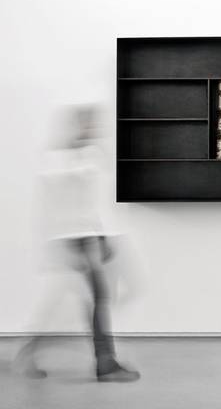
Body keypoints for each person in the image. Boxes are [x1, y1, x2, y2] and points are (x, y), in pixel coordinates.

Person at [14, 105, 140, 382]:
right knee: (96, 296)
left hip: (86, 236)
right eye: (88, 124)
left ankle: (31, 351)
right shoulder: (63, 161)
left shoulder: (77, 158)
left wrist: (103, 235)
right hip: (77, 238)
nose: (93, 129)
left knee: (81, 298)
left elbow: (91, 202)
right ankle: (104, 363)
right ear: (76, 126)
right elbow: (65, 202)